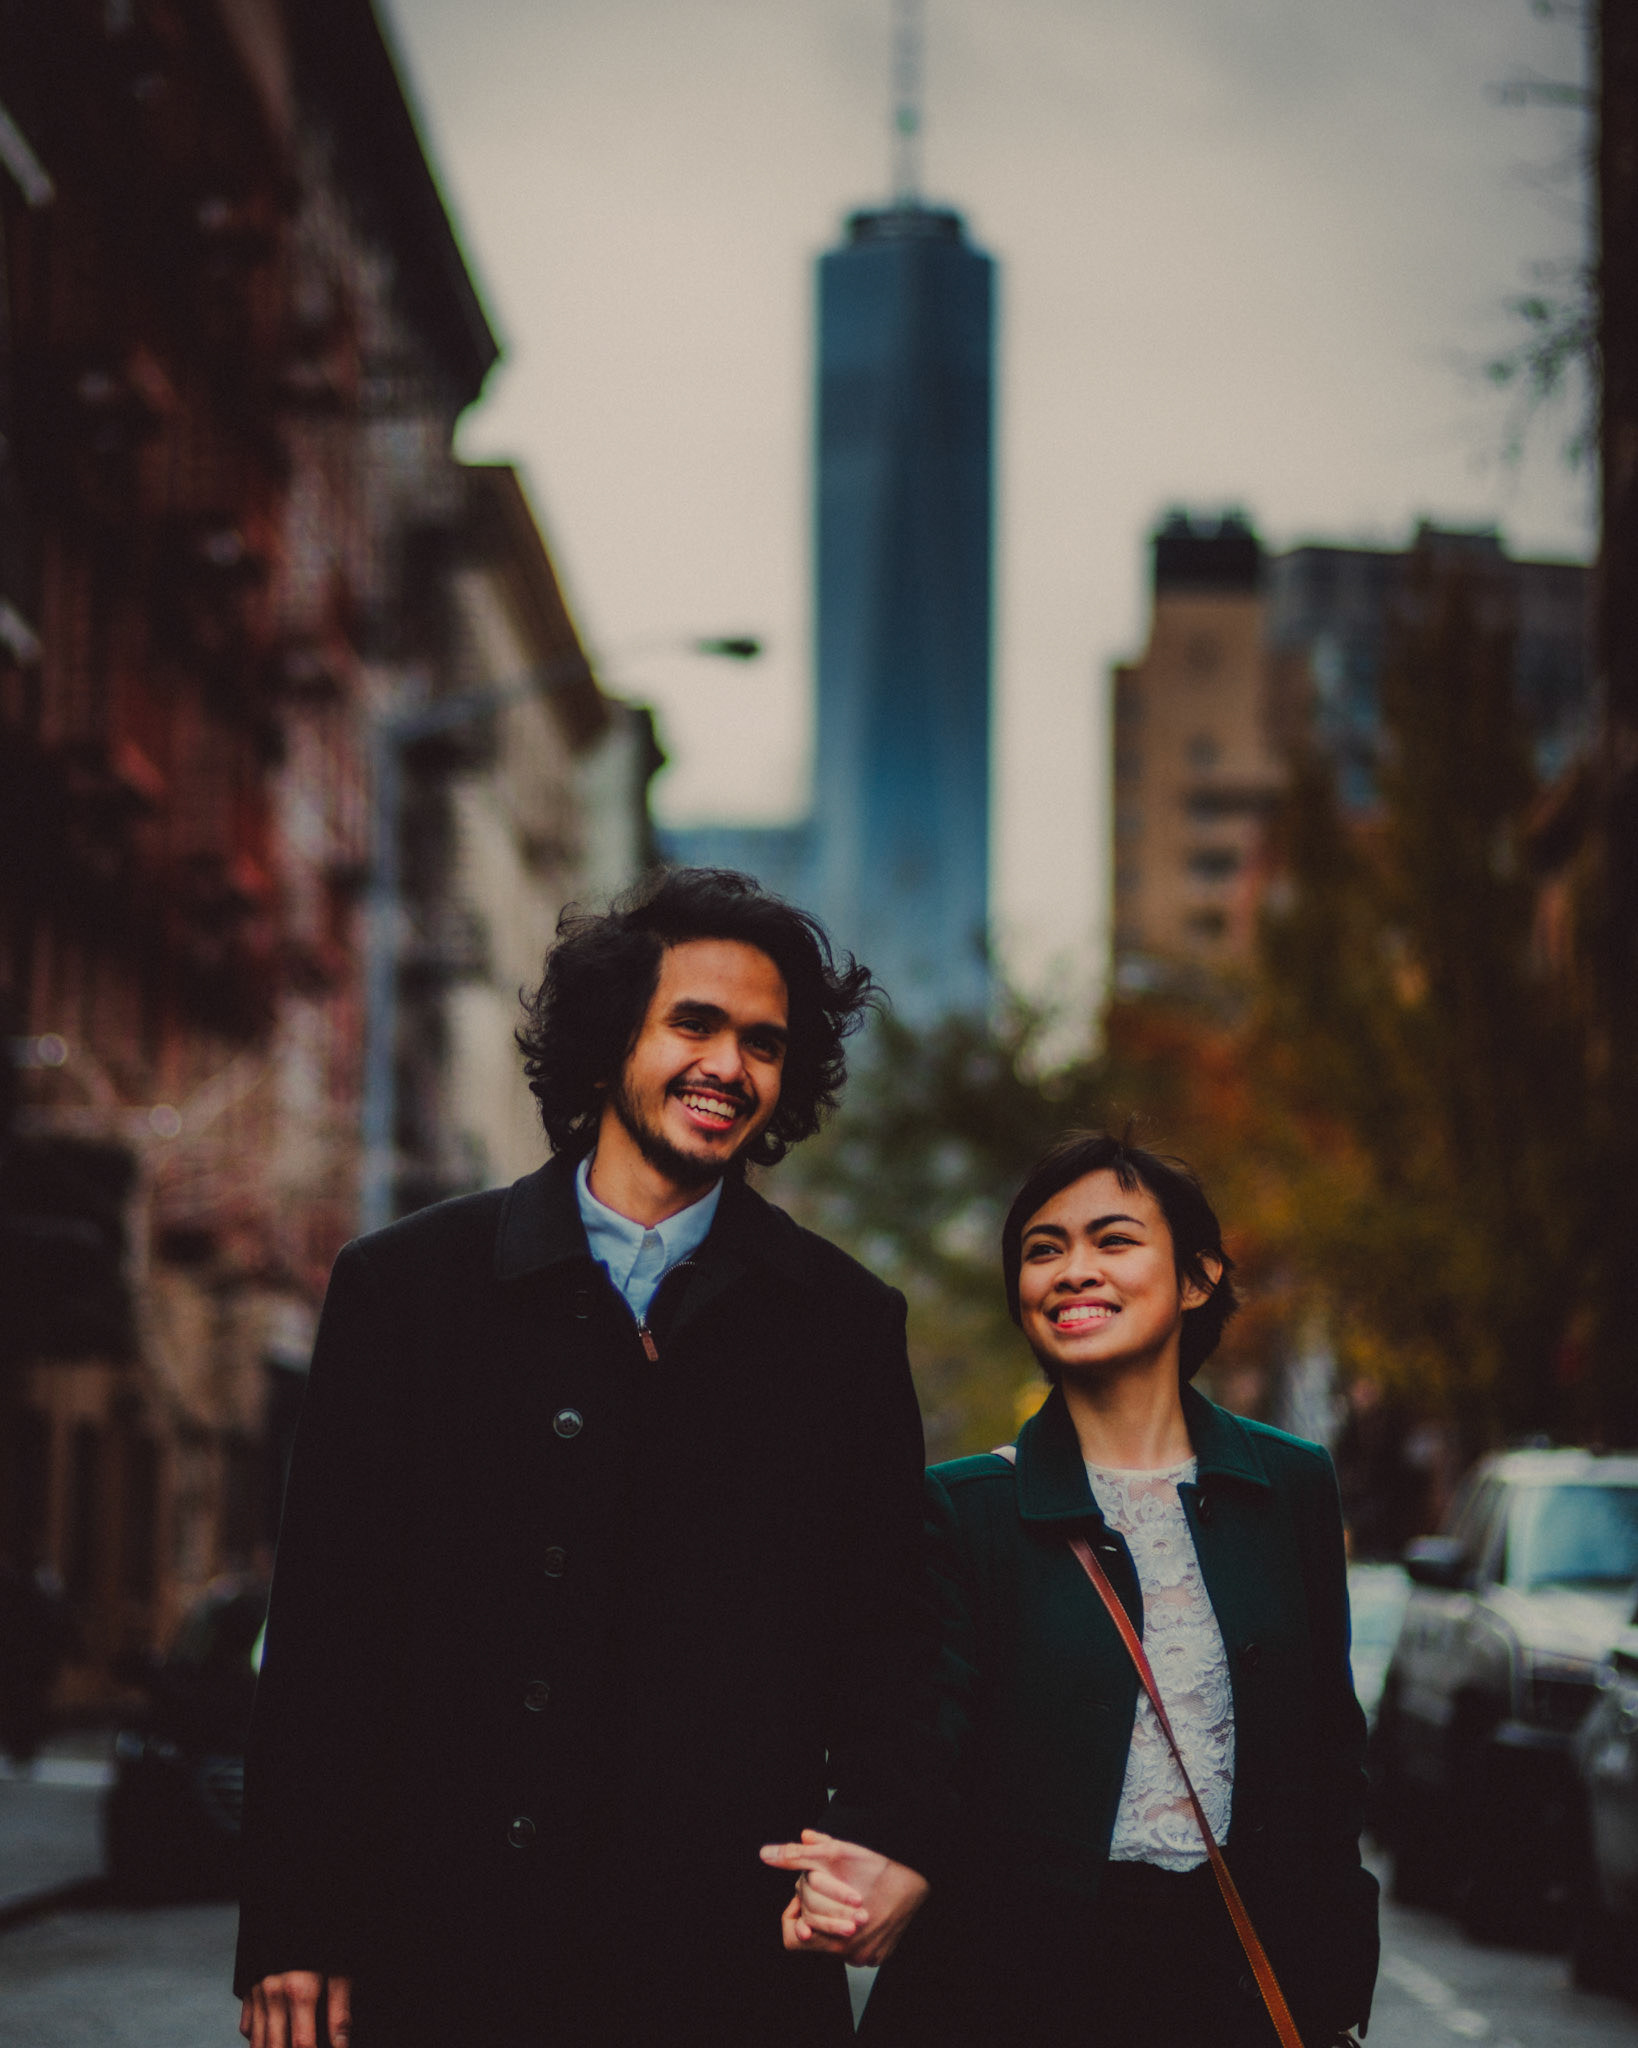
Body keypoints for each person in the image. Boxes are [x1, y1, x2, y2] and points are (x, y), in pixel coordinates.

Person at [235, 869, 938, 2048]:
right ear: (612, 1038)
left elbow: (889, 1635)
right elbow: (325, 1632)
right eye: (694, 1023)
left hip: (722, 1969)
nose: (729, 1065)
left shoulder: (841, 1322)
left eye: (765, 1042)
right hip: (445, 1951)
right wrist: (296, 1922)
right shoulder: (406, 1288)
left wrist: (892, 1834)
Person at [766, 1131, 1380, 2047]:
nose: (1071, 1270)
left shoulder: (1289, 1484)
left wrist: (1330, 1987)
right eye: (1042, 1251)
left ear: (1198, 1277)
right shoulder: (962, 1506)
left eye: (1113, 1240)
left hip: (1237, 1990)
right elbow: (922, 1743)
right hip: (1017, 1990)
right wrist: (878, 1854)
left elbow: (1327, 1760)